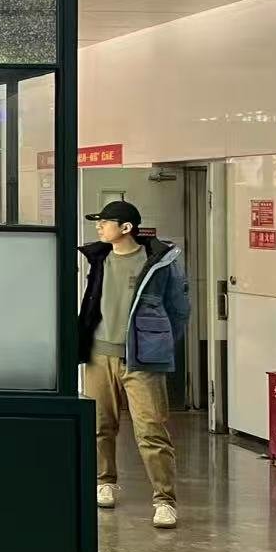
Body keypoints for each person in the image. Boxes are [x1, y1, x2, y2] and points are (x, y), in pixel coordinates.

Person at [78, 200, 189, 529]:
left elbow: (179, 310)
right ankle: (105, 482)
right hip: (98, 356)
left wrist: (156, 344)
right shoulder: (99, 258)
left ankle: (165, 500)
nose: (99, 227)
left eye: (105, 221)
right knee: (100, 425)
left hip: (142, 359)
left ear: (126, 228)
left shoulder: (157, 262)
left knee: (151, 430)